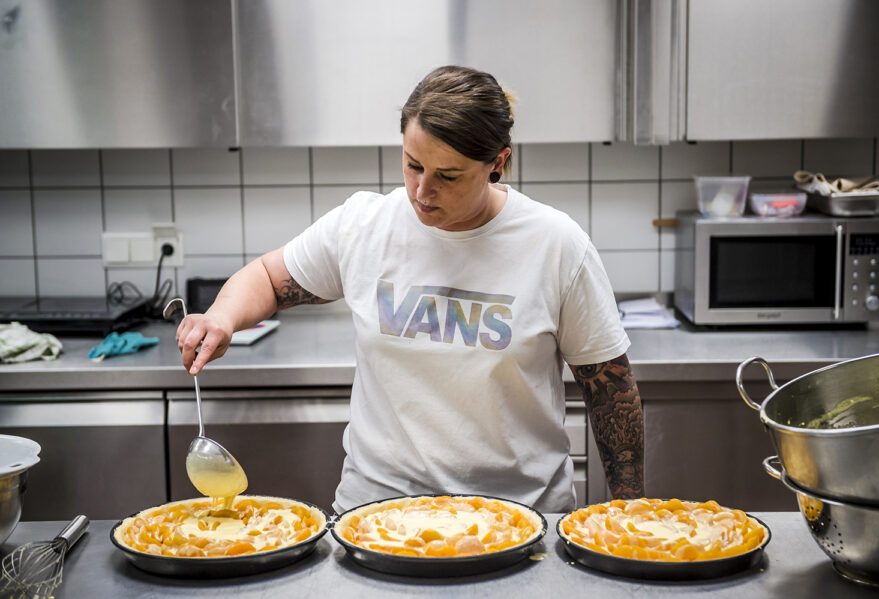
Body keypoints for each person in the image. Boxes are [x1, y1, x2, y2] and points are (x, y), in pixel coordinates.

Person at [175, 65, 644, 513]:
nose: (422, 191)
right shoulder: (363, 225)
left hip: (518, 519)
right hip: (375, 516)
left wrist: (627, 509)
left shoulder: (556, 245)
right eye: (412, 165)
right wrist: (221, 317)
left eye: (448, 175)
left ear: (497, 163)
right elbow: (268, 278)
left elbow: (611, 391)